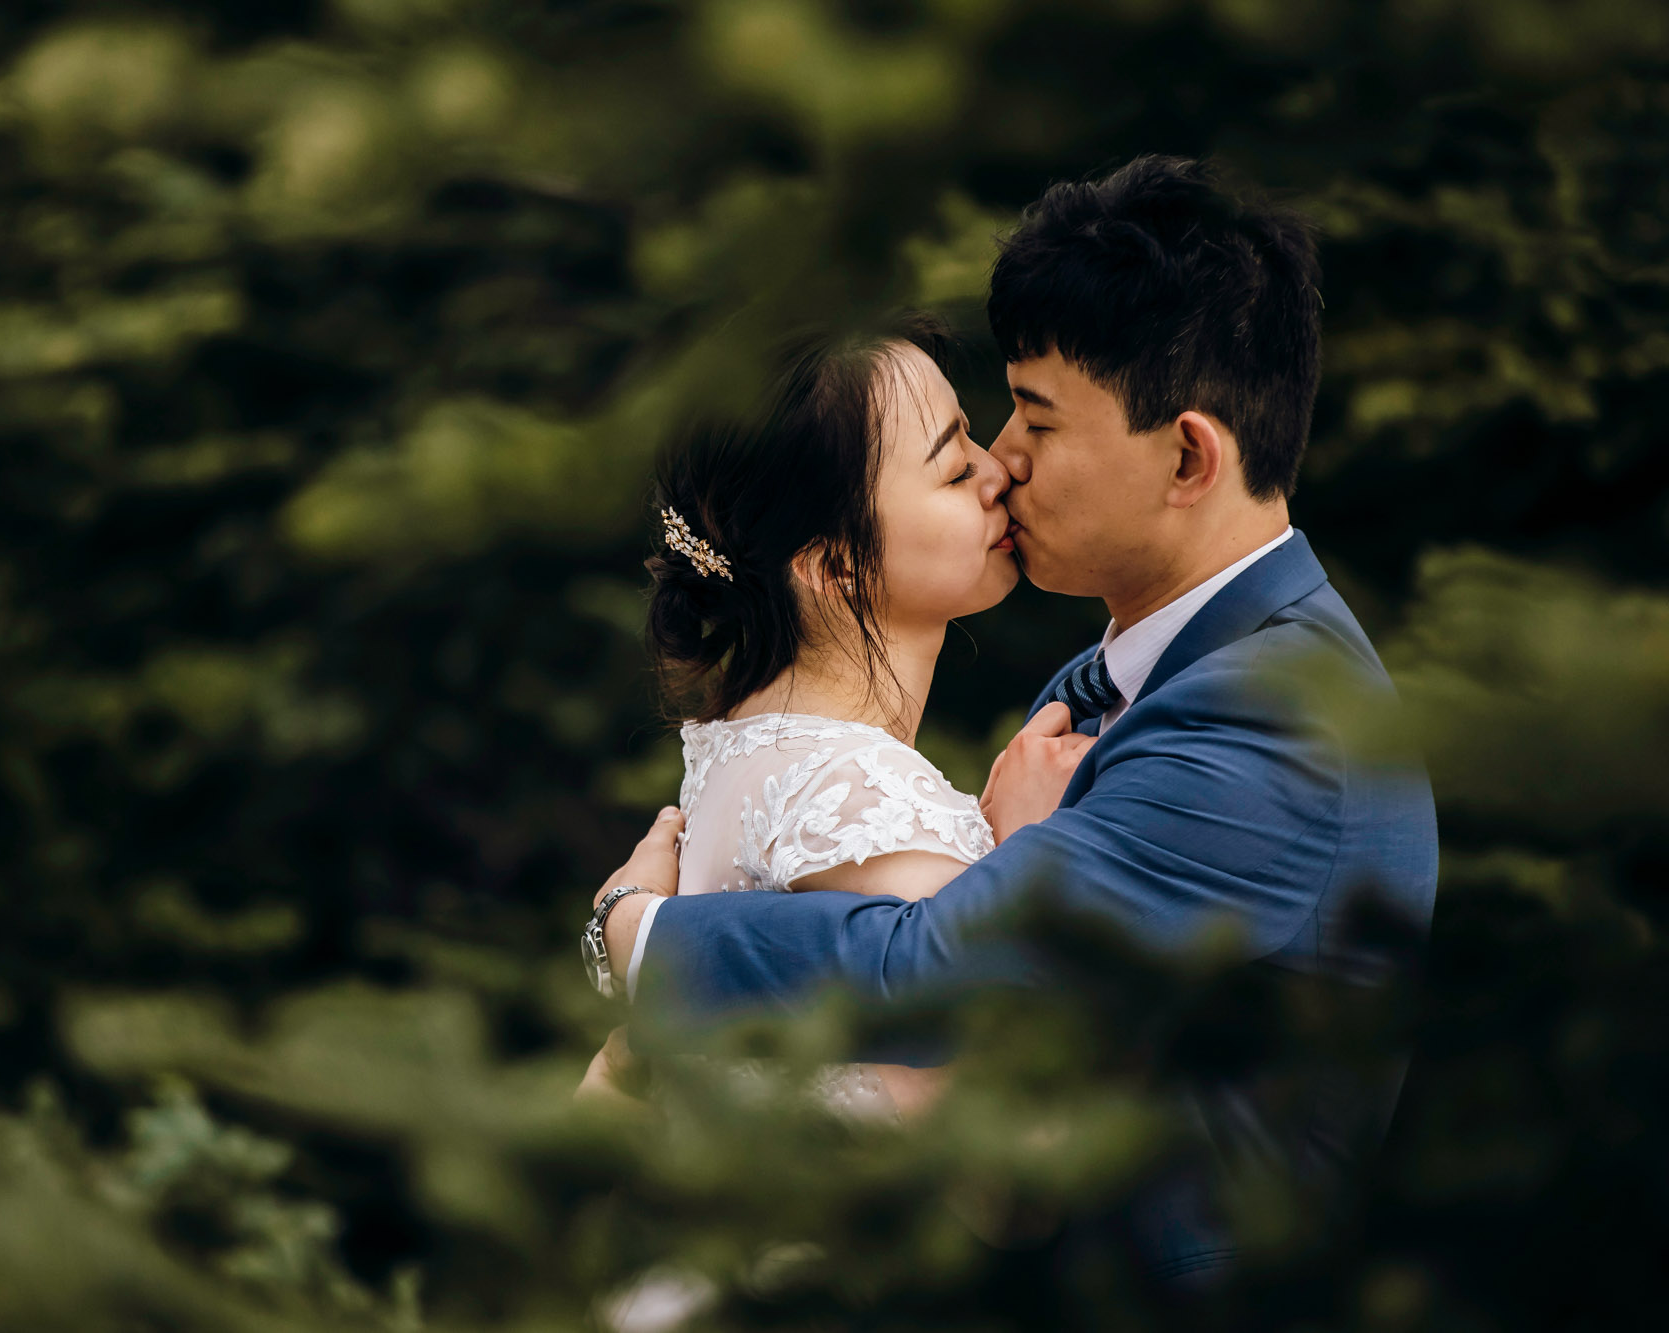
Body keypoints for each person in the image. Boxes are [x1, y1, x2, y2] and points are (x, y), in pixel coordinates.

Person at [578, 156, 1439, 1284]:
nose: (1002, 459)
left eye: (1033, 416)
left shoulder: (1268, 722)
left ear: (1186, 454)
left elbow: (935, 982)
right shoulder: (1123, 679)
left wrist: (631, 933)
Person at [624, 315, 1086, 1121]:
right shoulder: (856, 792)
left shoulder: (743, 754)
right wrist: (1030, 853)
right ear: (836, 565)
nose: (997, 469)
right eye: (951, 469)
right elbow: (1004, 1144)